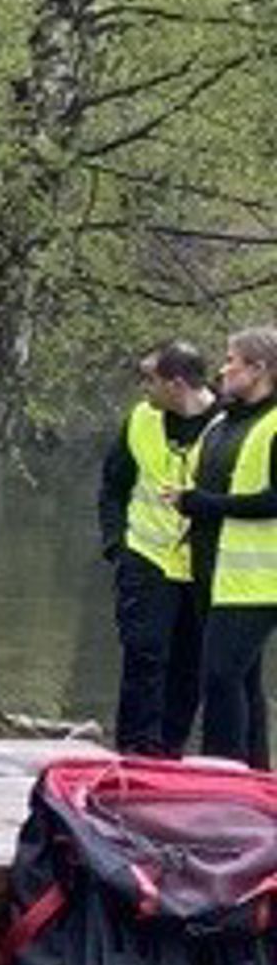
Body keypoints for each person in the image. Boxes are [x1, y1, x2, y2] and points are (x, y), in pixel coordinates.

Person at [100, 341, 216, 756]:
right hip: (146, 557)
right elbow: (114, 484)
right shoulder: (140, 420)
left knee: (190, 664)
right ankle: (134, 749)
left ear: (177, 383)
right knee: (144, 654)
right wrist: (116, 544)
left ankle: (170, 750)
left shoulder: (225, 425)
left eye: (150, 379)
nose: (143, 388)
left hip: (204, 566)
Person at [182, 327, 277, 769]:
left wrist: (207, 505)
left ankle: (223, 776)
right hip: (213, 569)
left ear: (259, 370)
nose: (223, 369)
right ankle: (257, 777)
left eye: (232, 361)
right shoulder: (224, 421)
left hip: (258, 579)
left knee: (220, 676)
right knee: (243, 680)